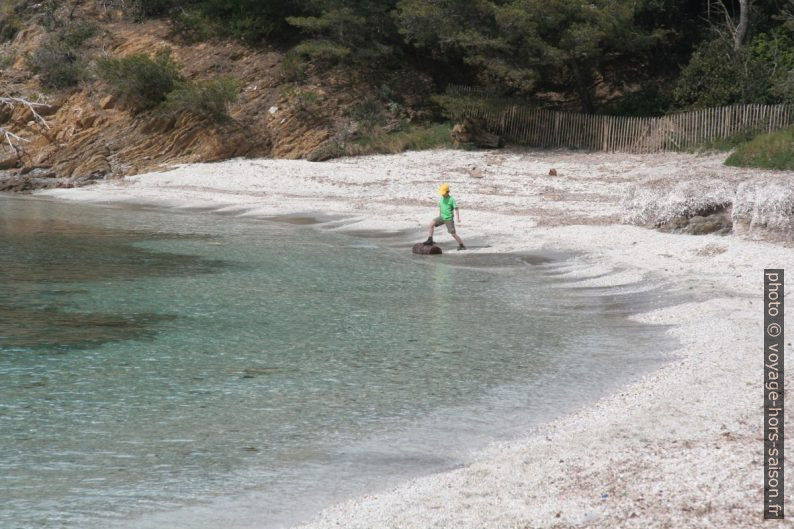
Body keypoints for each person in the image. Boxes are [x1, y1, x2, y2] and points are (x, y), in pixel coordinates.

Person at [423, 183, 466, 250]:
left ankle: (461, 245)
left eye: (443, 193)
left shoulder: (451, 199)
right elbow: (440, 207)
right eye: (442, 193)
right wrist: (439, 216)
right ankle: (430, 240)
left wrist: (458, 218)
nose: (442, 194)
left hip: (448, 219)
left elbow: (456, 208)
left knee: (453, 234)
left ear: (447, 192)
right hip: (442, 217)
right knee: (431, 224)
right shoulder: (441, 198)